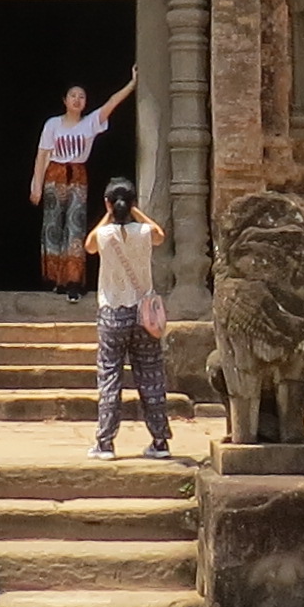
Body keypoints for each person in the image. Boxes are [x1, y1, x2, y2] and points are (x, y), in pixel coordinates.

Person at [30, 72, 137, 291]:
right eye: (73, 95)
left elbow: (112, 103)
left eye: (82, 96)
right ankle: (54, 279)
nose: (77, 100)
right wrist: (36, 184)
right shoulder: (53, 125)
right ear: (65, 100)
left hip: (78, 175)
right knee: (53, 225)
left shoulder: (90, 123)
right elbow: (42, 155)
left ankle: (72, 280)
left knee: (75, 226)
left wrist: (132, 84)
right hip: (55, 174)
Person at [87, 180, 171, 458]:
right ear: (133, 203)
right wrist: (136, 212)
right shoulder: (144, 232)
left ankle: (105, 442)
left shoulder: (104, 235)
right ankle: (160, 441)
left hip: (112, 313)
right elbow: (160, 234)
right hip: (143, 314)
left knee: (110, 376)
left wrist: (109, 213)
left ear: (108, 203)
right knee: (151, 377)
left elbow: (88, 246)